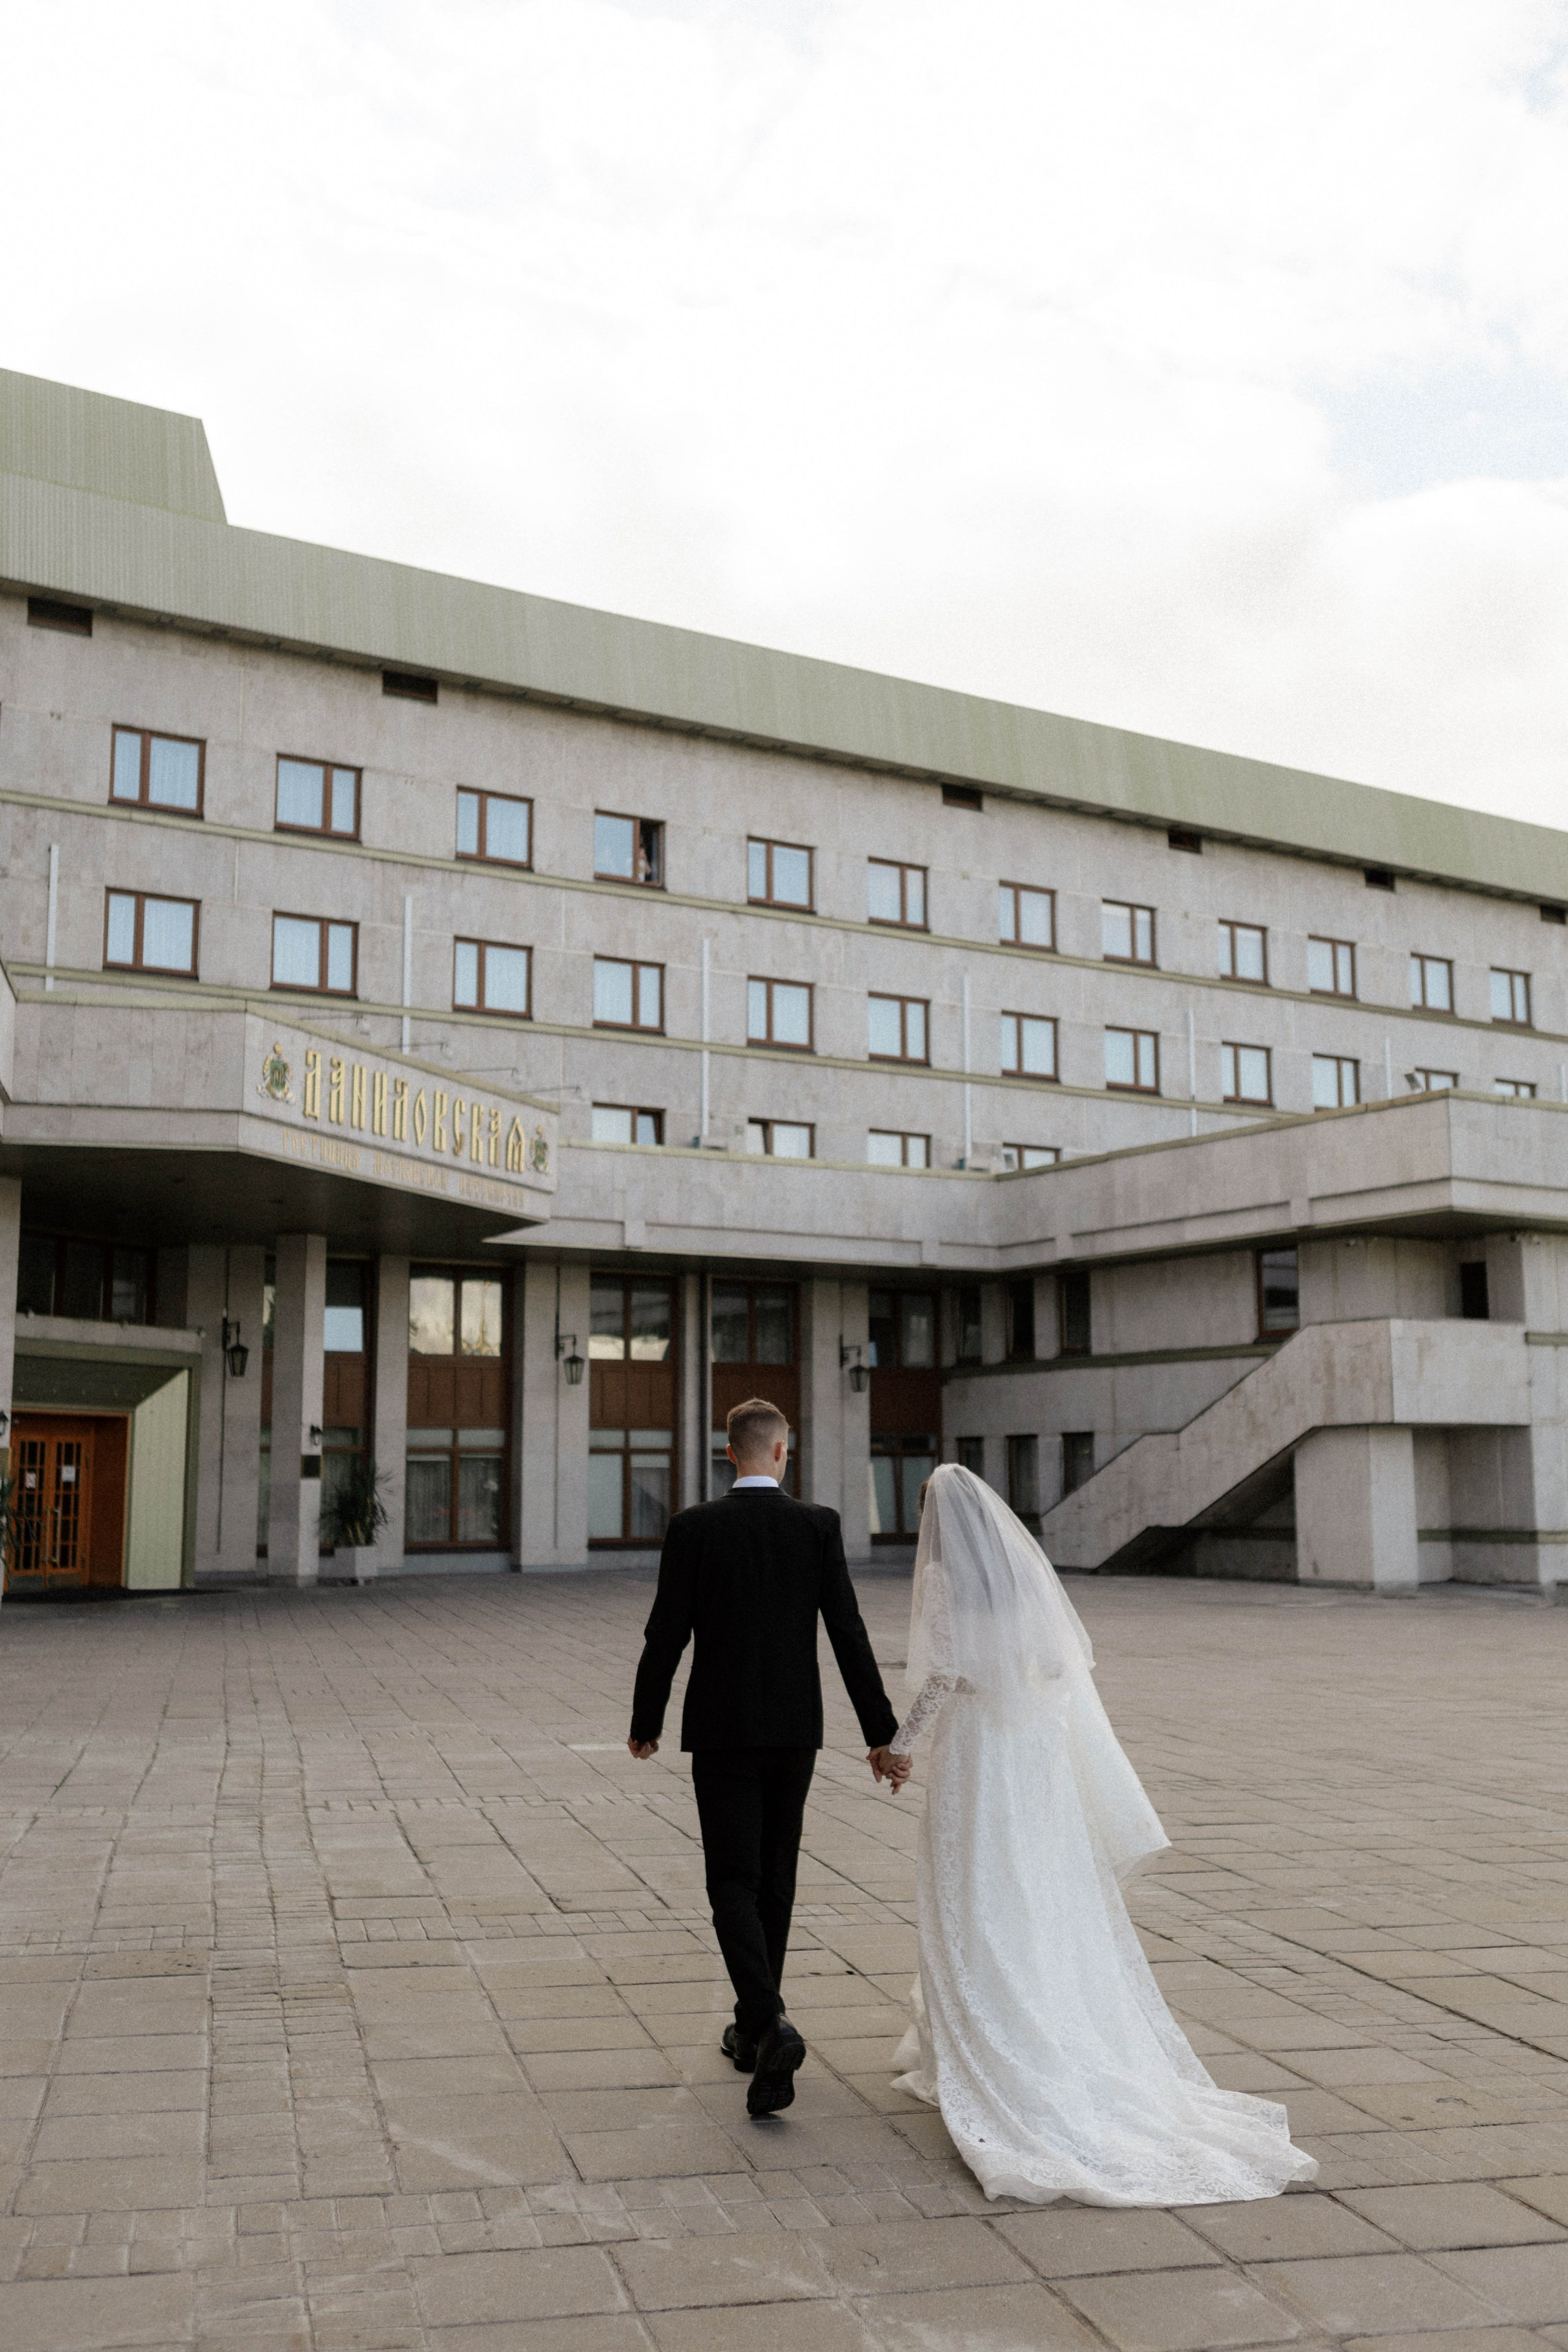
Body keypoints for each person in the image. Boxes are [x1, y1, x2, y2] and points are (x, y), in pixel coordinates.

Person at [886, 1462, 1318, 2206]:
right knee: (1037, 1889)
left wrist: (899, 1746)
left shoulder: (943, 1581)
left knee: (975, 1889)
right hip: (1033, 1755)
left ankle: (986, 2040)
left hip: (977, 1754)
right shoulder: (1020, 1582)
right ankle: (1043, 2017)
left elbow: (941, 1674)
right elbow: (1059, 1664)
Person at [628, 1396, 908, 2116]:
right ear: (783, 1452)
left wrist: (646, 1719)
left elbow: (666, 1632)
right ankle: (755, 2032)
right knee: (774, 1879)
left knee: (732, 1879)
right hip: (793, 1731)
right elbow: (848, 1633)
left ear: (729, 1452)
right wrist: (881, 1734)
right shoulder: (817, 1526)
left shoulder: (693, 1527)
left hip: (720, 1730)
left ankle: (768, 2021)